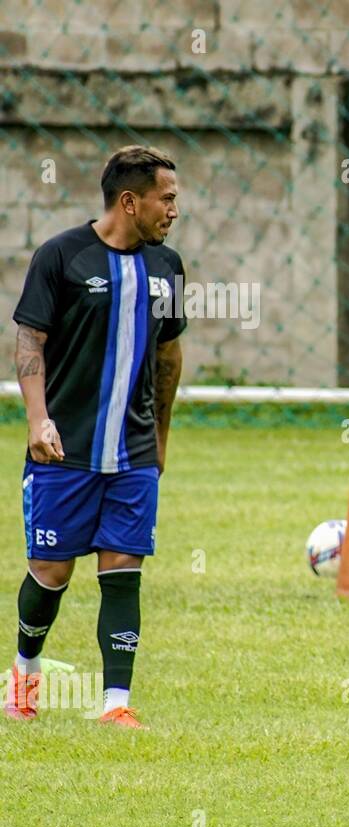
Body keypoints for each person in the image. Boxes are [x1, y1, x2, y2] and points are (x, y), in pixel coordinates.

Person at [5, 145, 186, 729]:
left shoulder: (168, 267)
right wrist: (39, 421)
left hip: (132, 452)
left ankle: (115, 704)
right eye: (167, 199)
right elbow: (29, 341)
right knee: (51, 574)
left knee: (123, 570)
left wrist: (160, 437)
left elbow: (169, 354)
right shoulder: (61, 256)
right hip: (64, 450)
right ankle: (24, 673)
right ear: (129, 201)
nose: (174, 211)